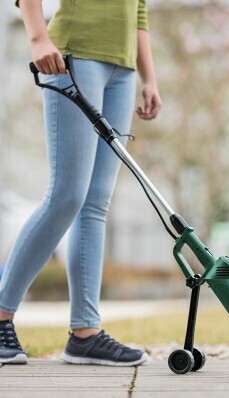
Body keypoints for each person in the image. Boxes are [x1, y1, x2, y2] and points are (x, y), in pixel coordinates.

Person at [0, 0, 161, 366]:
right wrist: (38, 37)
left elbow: (137, 10)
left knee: (95, 202)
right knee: (66, 196)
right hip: (74, 54)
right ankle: (1, 315)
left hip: (123, 69)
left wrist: (148, 77)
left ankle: (85, 333)